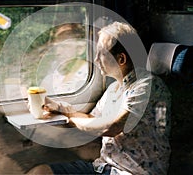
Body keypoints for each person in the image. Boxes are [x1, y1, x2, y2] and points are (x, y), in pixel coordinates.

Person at [26, 21, 171, 175]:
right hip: (104, 168)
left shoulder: (147, 86)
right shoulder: (113, 89)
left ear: (121, 59)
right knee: (41, 172)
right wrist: (59, 110)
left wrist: (71, 119)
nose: (95, 60)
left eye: (101, 53)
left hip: (132, 172)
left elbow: (111, 128)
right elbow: (91, 118)